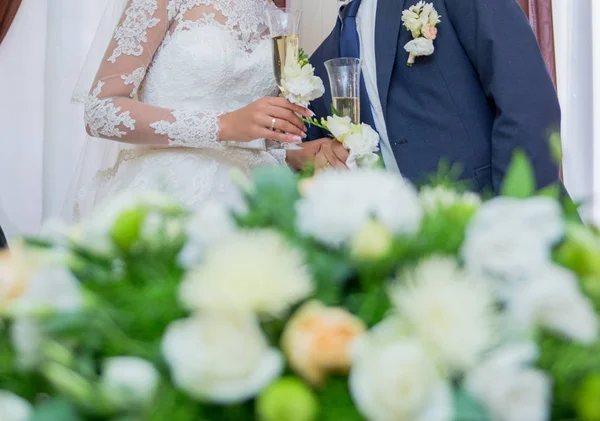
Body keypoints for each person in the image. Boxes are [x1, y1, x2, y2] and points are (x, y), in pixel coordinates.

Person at [67, 0, 314, 218]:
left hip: (256, 195)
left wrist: (294, 154)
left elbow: (250, 129)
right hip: (172, 191)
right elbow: (101, 111)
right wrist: (223, 125)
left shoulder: (273, 11)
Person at [287, 0, 562, 193]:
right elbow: (297, 142)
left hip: (486, 212)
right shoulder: (330, 51)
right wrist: (303, 156)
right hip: (415, 251)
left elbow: (527, 103)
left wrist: (518, 214)